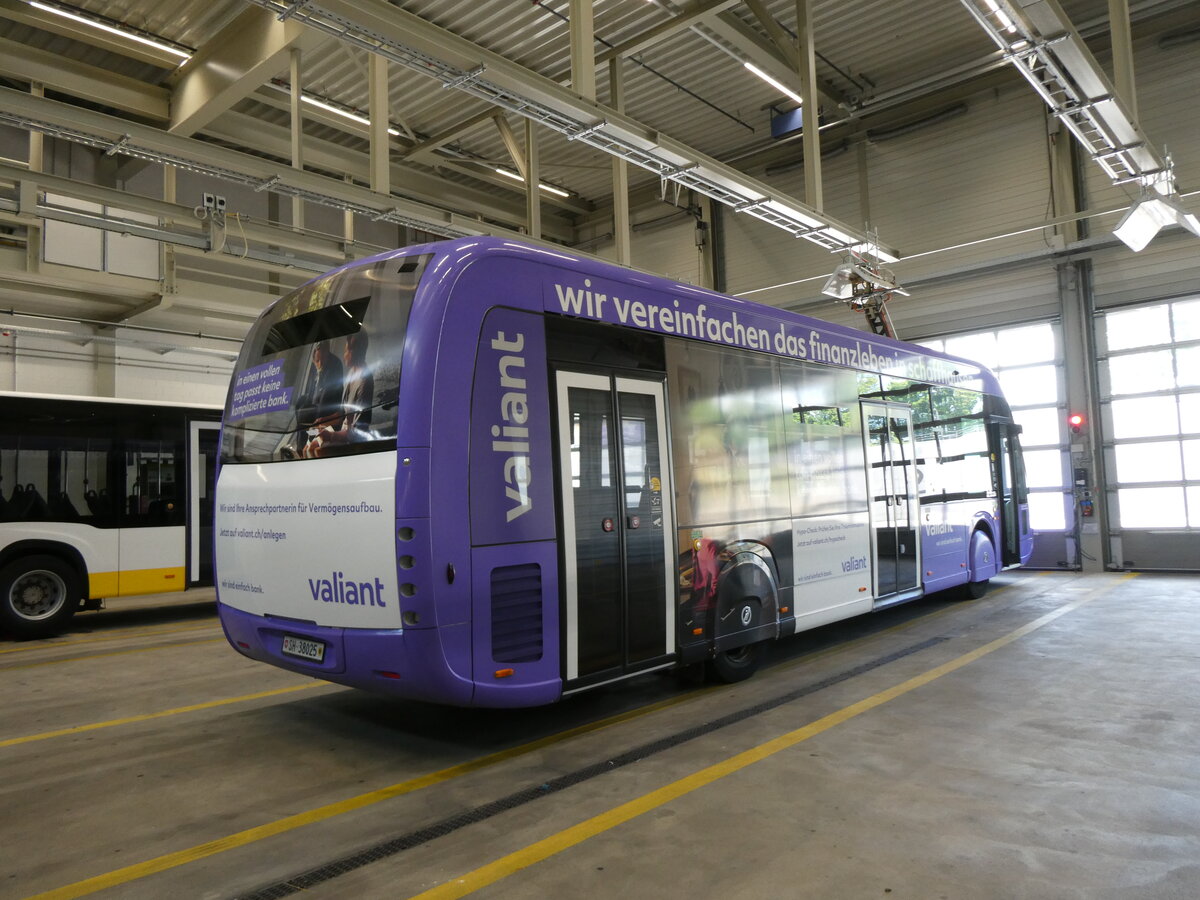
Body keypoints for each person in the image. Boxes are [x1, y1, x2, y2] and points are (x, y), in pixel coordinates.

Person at [302, 331, 375, 457]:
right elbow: (342, 415)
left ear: (357, 351)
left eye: (347, 350)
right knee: (308, 442)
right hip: (343, 433)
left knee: (316, 450)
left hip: (353, 443)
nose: (344, 355)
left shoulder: (364, 382)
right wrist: (323, 421)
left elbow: (357, 432)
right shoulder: (352, 373)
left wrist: (330, 436)